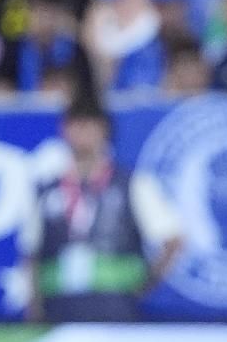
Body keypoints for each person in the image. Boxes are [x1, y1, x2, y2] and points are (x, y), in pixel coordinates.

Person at [21, 96, 184, 323]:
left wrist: (143, 286)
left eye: (90, 126)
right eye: (76, 125)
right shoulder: (46, 190)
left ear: (104, 131)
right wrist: (34, 306)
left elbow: (174, 240)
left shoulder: (133, 184)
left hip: (115, 309)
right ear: (64, 130)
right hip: (58, 310)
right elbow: (31, 253)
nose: (83, 134)